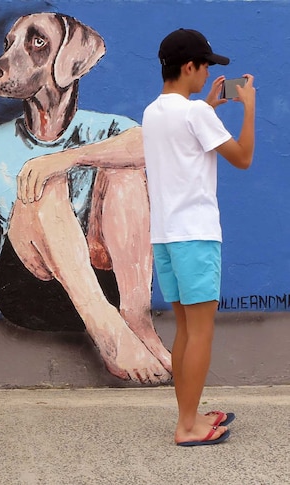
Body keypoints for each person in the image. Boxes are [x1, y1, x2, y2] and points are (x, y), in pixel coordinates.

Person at [142, 28, 255, 446]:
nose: (208, 72)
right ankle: (187, 427)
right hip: (197, 235)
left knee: (185, 331)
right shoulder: (195, 114)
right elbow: (242, 158)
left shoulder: (154, 112)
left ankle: (188, 414)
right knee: (202, 332)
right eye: (205, 65)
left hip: (166, 237)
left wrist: (206, 108)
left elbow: (183, 144)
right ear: (189, 66)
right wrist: (249, 109)